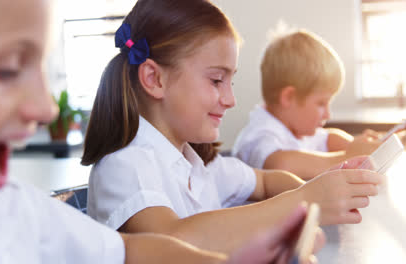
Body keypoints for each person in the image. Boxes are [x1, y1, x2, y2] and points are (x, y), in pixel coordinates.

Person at [0, 0, 322, 263]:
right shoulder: (127, 164)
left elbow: (127, 252)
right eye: (7, 68)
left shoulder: (14, 206)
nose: (46, 108)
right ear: (153, 78)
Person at [82, 0, 382, 256]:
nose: (231, 99)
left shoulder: (202, 166)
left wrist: (319, 192)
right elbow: (173, 242)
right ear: (154, 79)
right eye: (216, 80)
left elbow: (264, 182)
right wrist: (305, 201)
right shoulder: (124, 165)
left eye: (231, 81)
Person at [231, 27, 390, 180]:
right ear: (288, 97)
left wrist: (357, 146)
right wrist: (348, 157)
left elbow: (328, 138)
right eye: (321, 103)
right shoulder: (259, 136)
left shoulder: (296, 129)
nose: (328, 114)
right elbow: (281, 165)